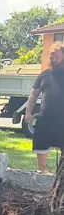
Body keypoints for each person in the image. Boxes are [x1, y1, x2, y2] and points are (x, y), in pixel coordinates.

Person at [25, 42, 64, 172]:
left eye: (57, 57)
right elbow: (33, 94)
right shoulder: (44, 75)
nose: (53, 60)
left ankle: (61, 176)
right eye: (51, 57)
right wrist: (28, 112)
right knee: (41, 144)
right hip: (45, 118)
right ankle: (42, 172)